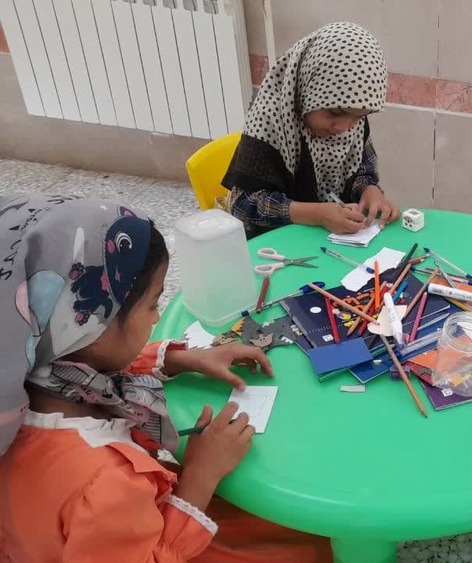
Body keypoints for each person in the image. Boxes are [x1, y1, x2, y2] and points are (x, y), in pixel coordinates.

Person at [0, 194, 331, 562]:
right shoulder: (102, 483)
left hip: (107, 529)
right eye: (153, 303)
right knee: (309, 544)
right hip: (152, 541)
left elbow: (96, 374)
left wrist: (184, 358)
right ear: (87, 328)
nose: (158, 317)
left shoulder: (27, 369)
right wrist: (201, 474)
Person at [222, 22, 400, 238]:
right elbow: (243, 205)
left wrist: (370, 191)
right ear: (309, 89)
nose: (343, 128)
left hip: (332, 239)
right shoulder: (269, 120)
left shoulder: (352, 110)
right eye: (335, 112)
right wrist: (317, 214)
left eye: (359, 117)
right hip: (277, 243)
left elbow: (363, 171)